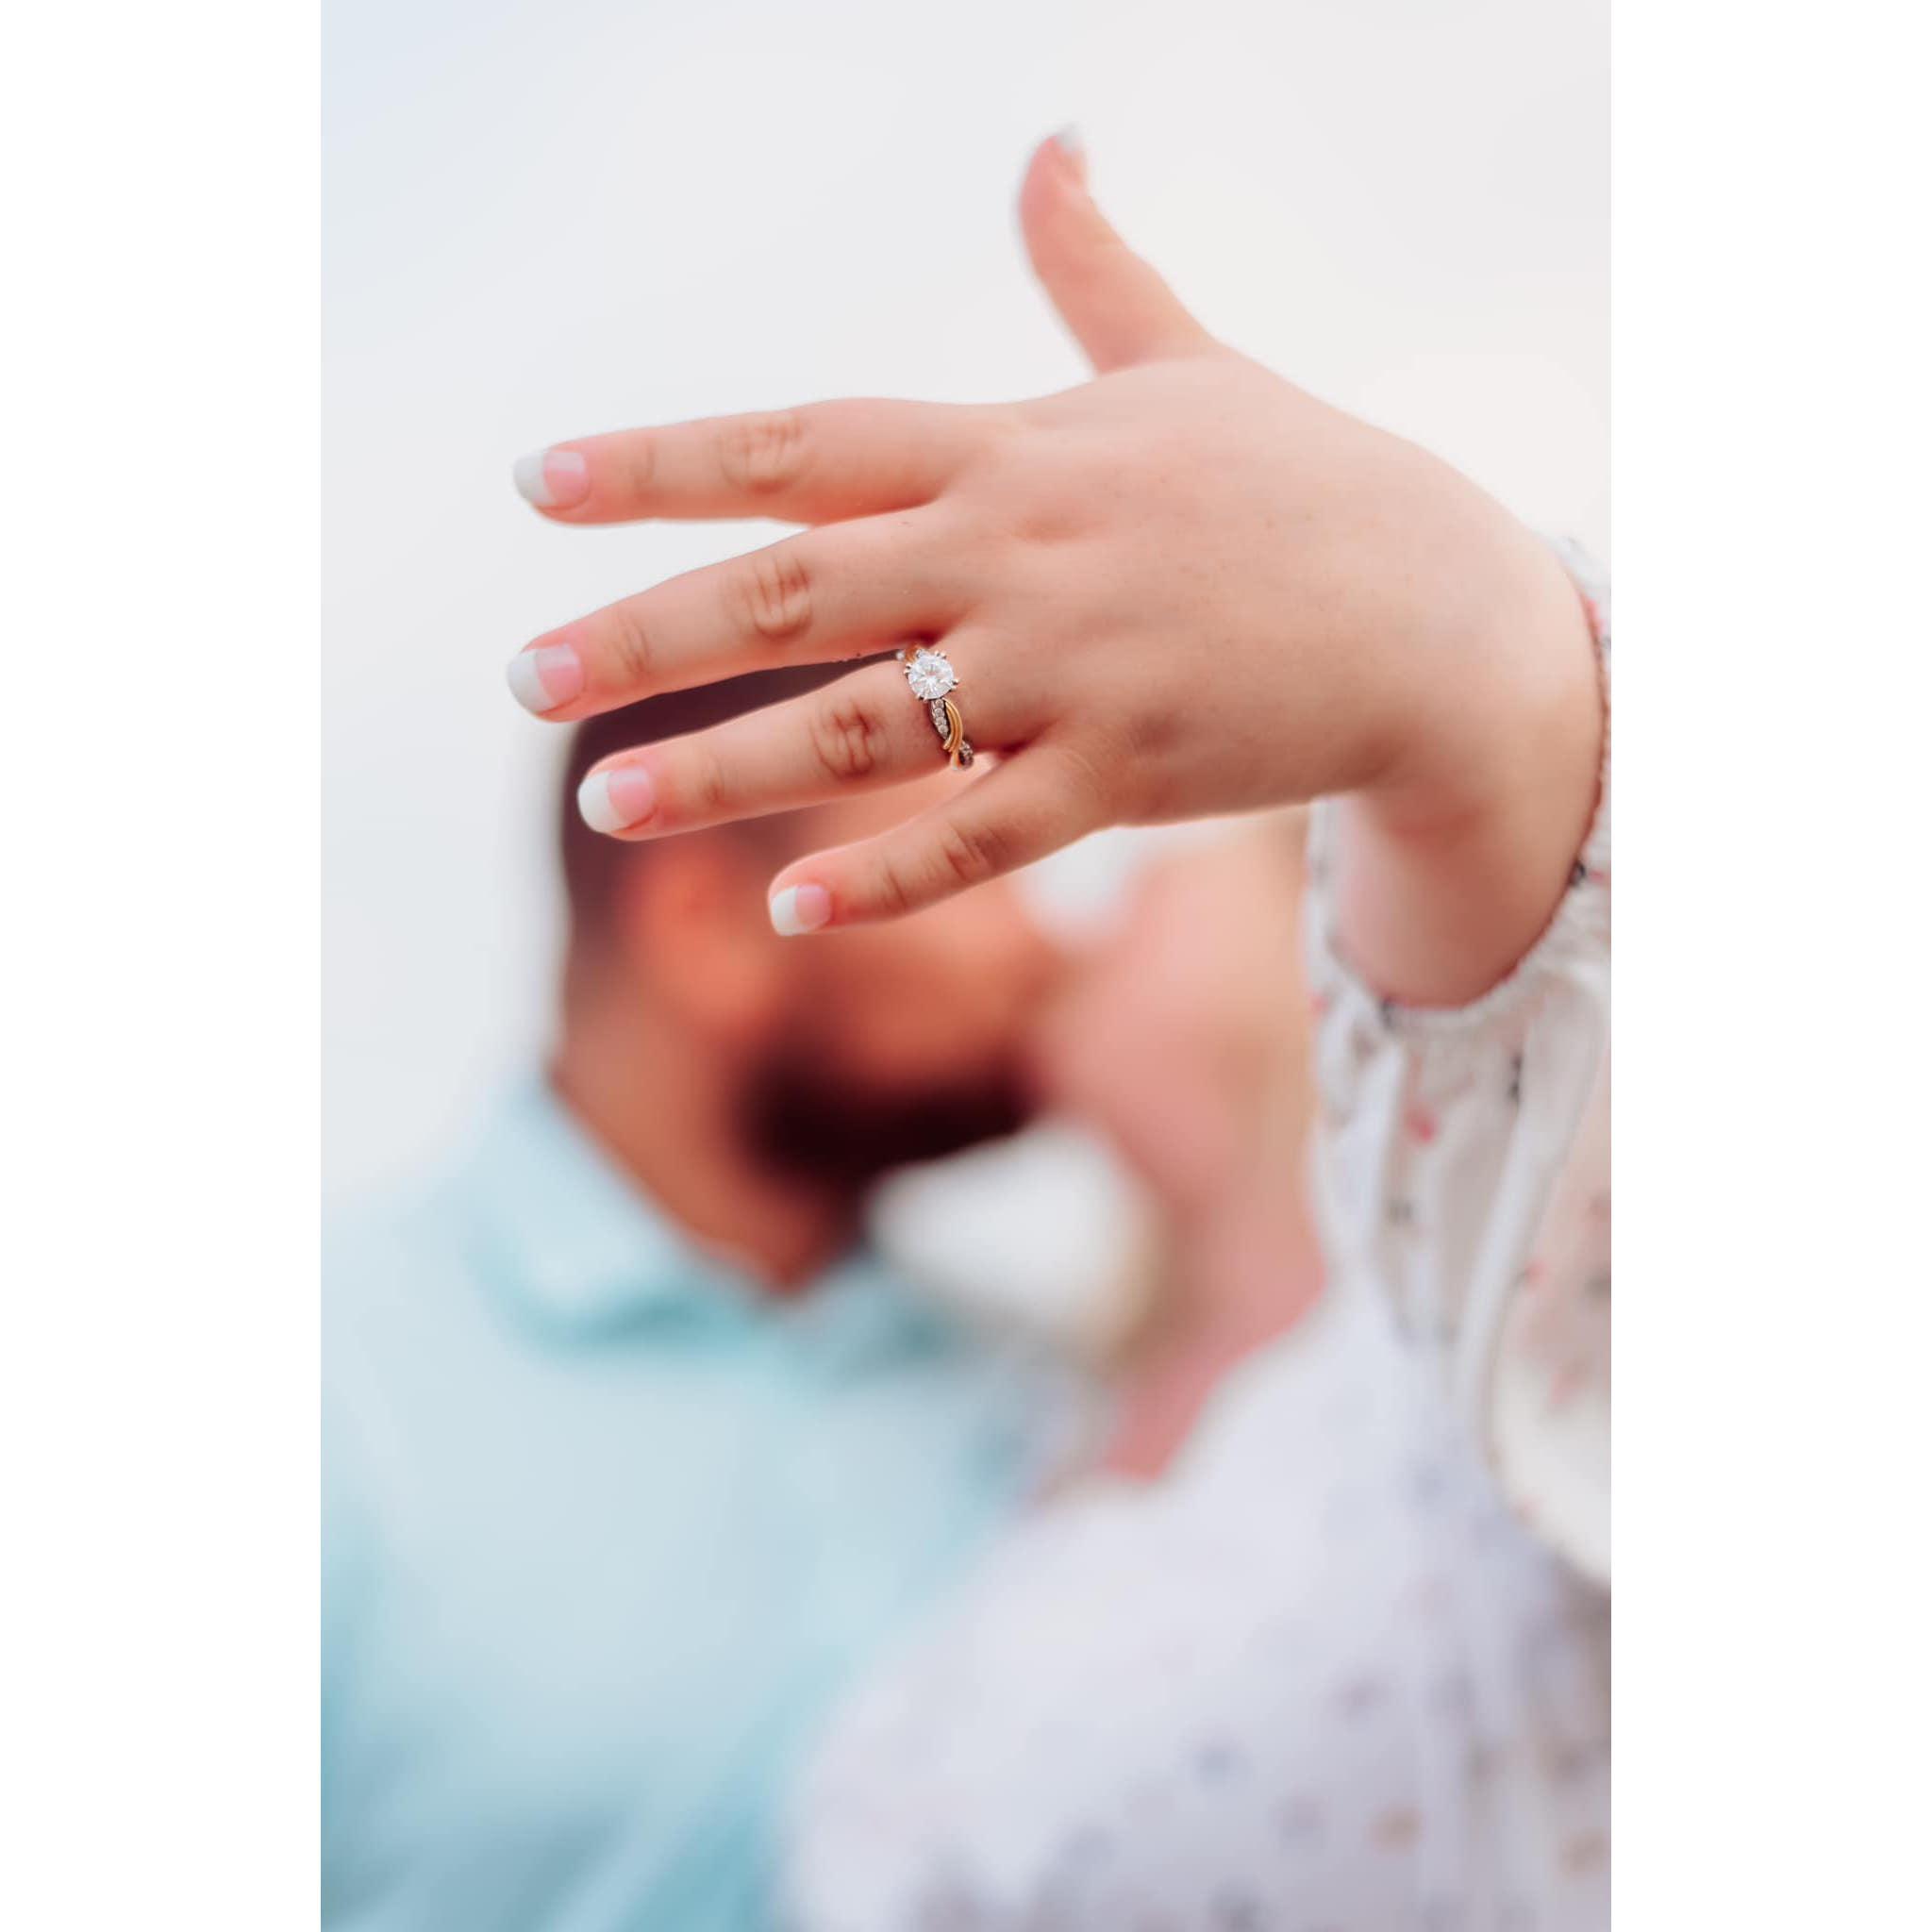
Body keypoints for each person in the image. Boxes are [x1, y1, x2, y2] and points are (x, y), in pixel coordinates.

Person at [506, 130, 1610, 1927]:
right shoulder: (1029, 1422)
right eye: (992, 859)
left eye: (1137, 863)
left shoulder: (1477, 1324)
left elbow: (1534, 1024)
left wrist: (1458, 644)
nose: (1041, 926)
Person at [323, 677, 1079, 1932]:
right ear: (705, 926)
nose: (1041, 948)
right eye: (973, 869)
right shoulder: (328, 1387)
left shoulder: (1035, 1391)